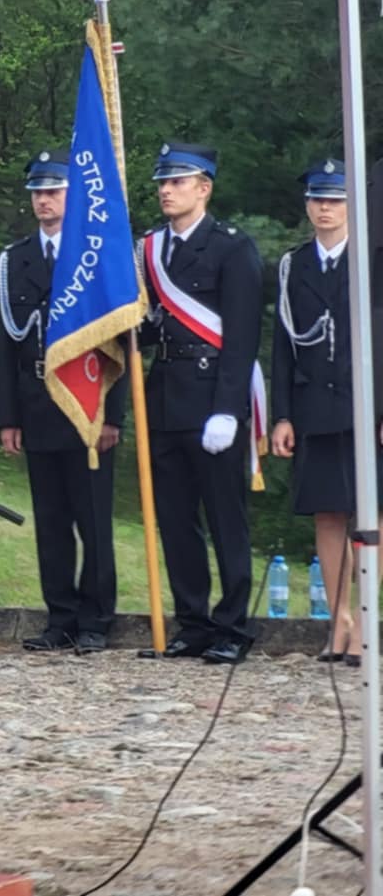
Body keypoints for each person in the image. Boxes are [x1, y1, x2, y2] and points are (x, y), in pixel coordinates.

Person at [0, 152, 122, 655]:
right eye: (38, 192)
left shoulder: (95, 253)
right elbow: (5, 344)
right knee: (51, 524)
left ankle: (96, 619)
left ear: (73, 196)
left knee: (93, 520)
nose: (43, 200)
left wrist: (113, 416)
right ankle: (60, 618)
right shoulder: (15, 259)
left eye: (53, 191)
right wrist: (8, 417)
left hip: (89, 405)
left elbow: (118, 342)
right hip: (38, 403)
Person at [140, 142, 262, 666]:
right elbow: (148, 326)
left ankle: (232, 626)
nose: (166, 190)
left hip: (212, 396)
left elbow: (242, 335)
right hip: (165, 395)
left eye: (177, 181)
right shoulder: (149, 248)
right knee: (175, 519)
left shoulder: (232, 247)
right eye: (162, 183)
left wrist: (228, 409)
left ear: (204, 188)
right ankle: (192, 622)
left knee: (225, 518)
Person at [273, 160, 356, 662]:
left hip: (364, 404)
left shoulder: (370, 258)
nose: (326, 208)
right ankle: (340, 618)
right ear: (307, 205)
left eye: (335, 200)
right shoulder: (294, 265)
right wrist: (283, 414)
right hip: (314, 405)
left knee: (372, 512)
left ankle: (366, 618)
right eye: (318, 199)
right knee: (327, 512)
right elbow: (283, 347)